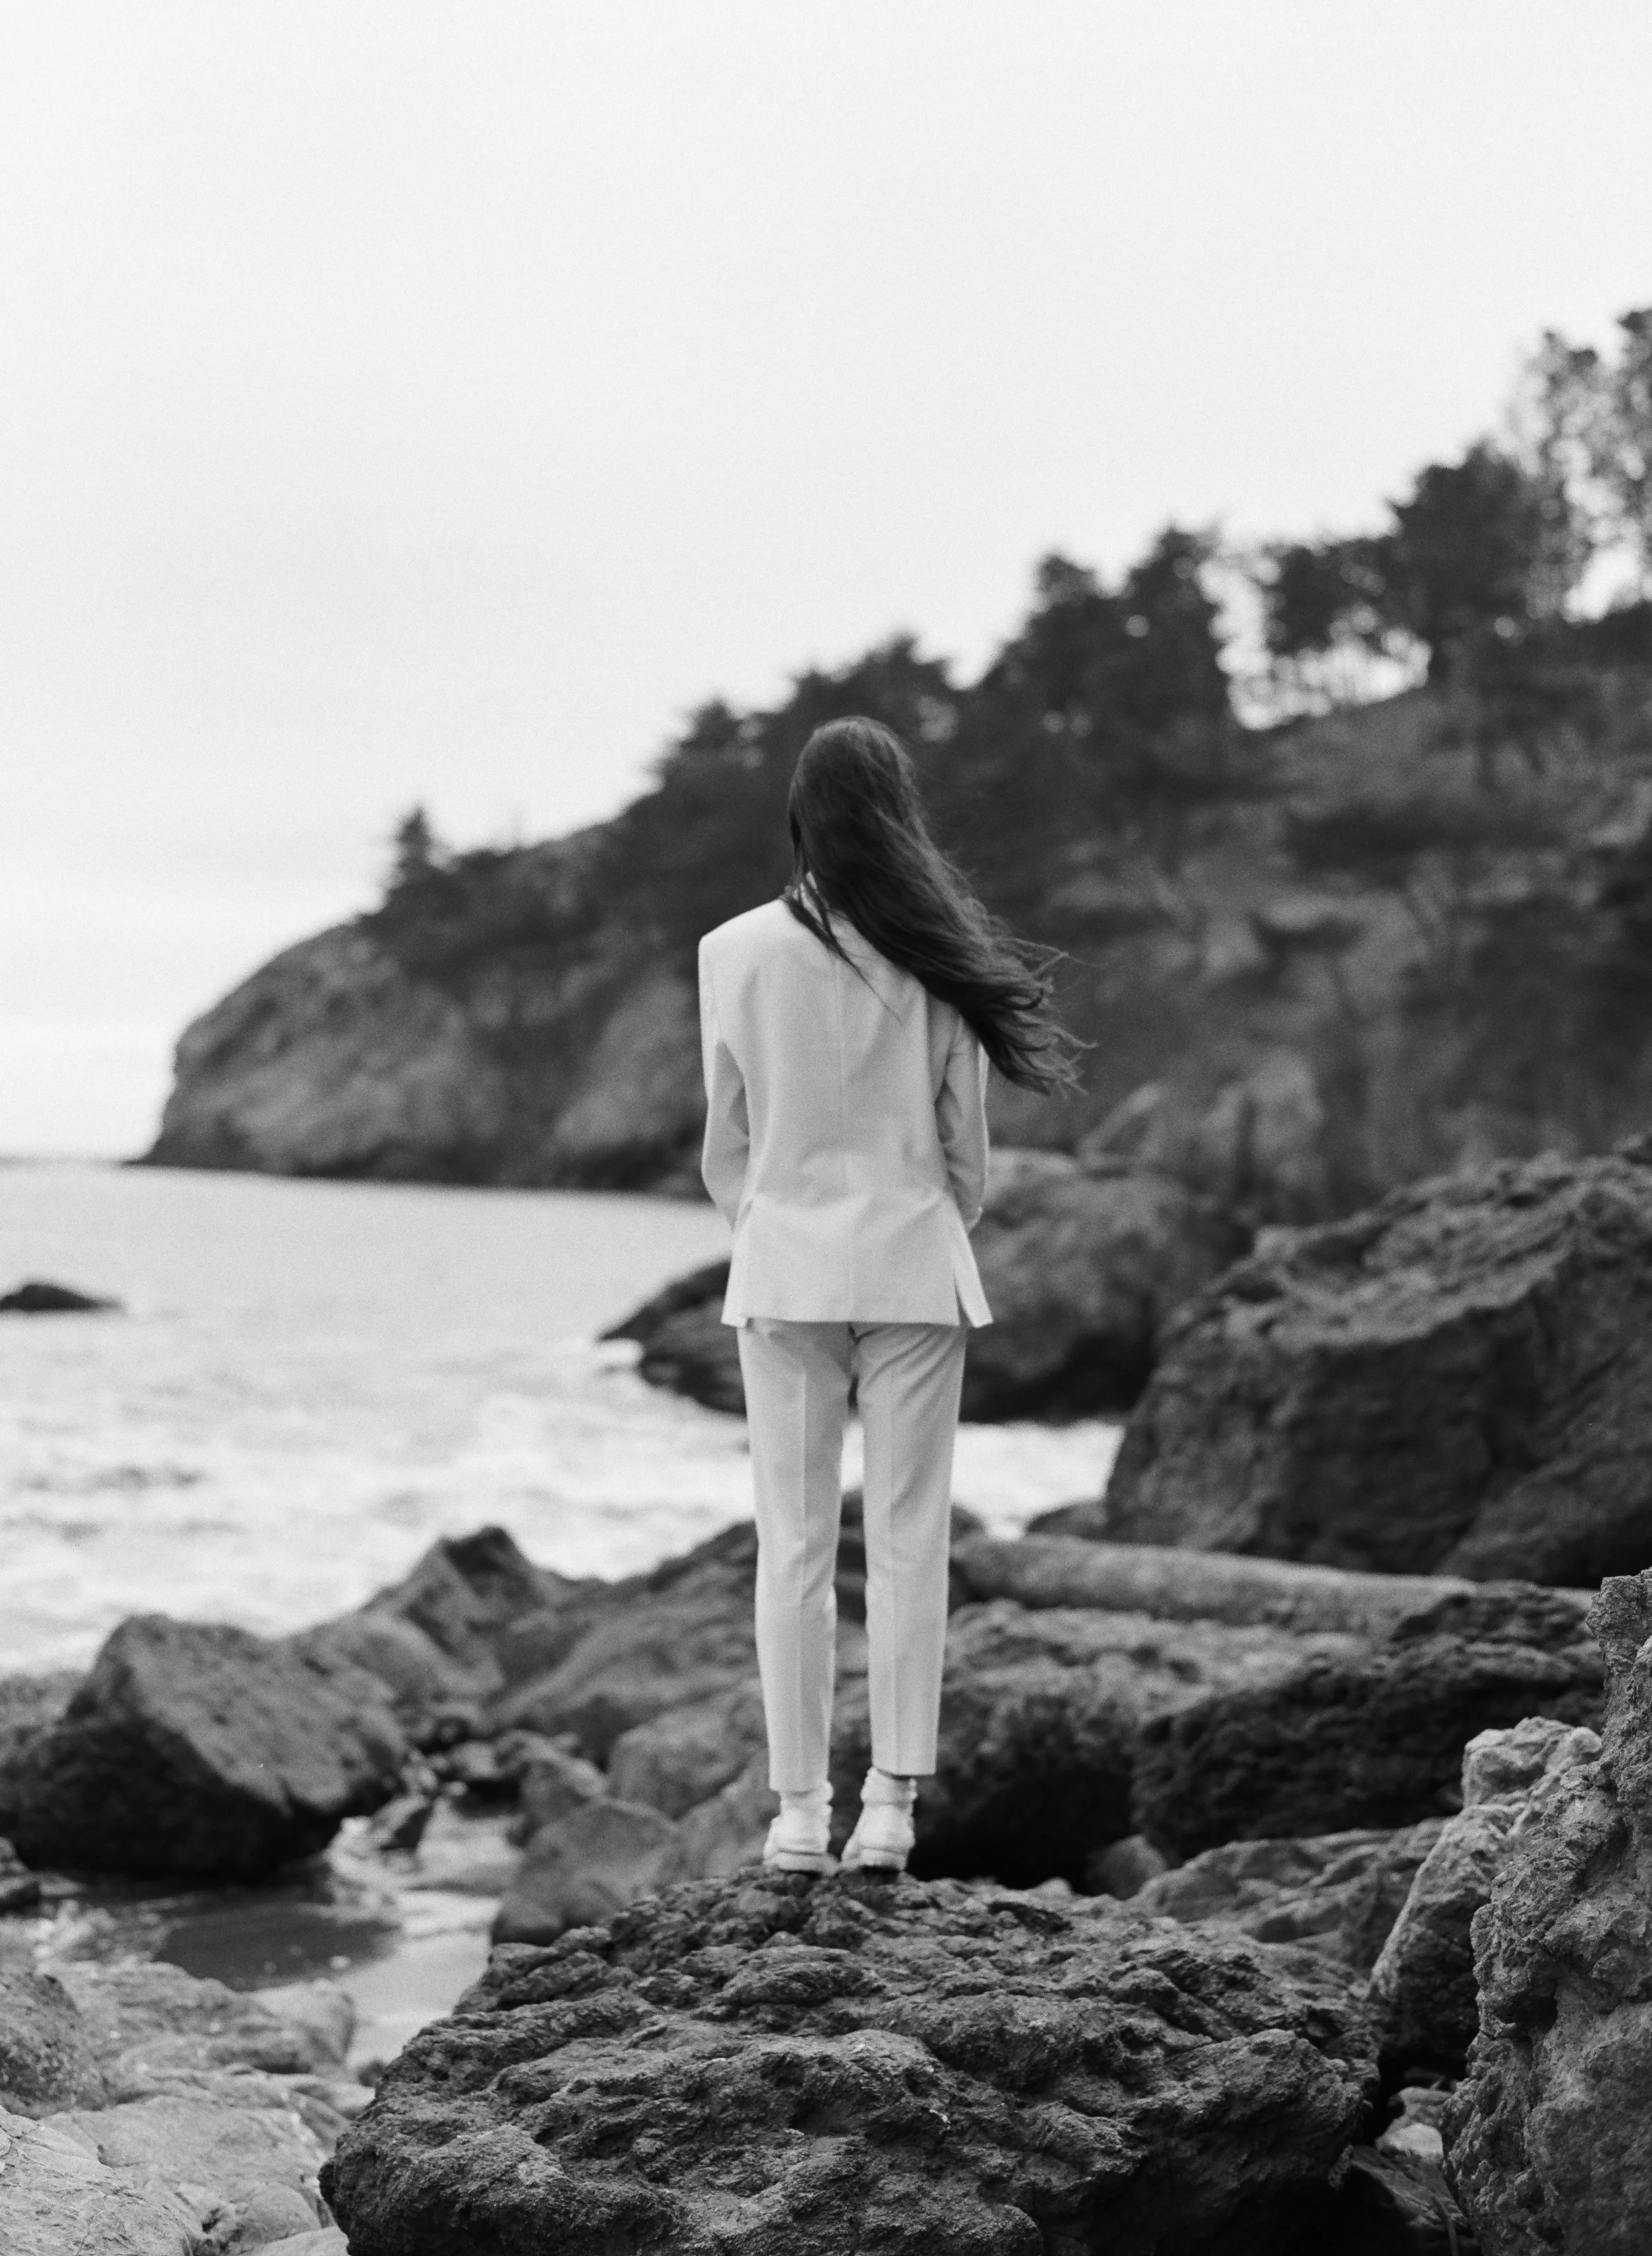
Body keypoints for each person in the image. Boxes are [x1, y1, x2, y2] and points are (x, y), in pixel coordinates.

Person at [697, 715, 1081, 1875]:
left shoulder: (733, 949)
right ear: (896, 812)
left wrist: (772, 1229)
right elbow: (968, 1153)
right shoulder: (933, 948)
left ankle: (799, 1816)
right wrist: (922, 1219)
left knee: (796, 1547)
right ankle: (895, 1810)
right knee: (913, 1544)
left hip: (786, 1268)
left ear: (802, 816)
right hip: (916, 1263)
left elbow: (727, 1140)